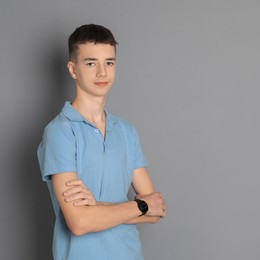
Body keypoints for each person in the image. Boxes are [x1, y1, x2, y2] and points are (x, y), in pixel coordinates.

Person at [37, 24, 167, 260]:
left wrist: (98, 206)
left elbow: (157, 209)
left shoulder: (126, 131)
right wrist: (139, 206)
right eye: (90, 63)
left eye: (109, 62)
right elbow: (79, 222)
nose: (102, 73)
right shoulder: (60, 132)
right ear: (73, 69)